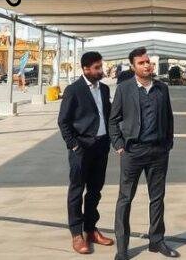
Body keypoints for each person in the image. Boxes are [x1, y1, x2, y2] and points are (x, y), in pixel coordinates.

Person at [108, 48, 178, 259]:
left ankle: (156, 241)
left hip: (158, 151)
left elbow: (169, 117)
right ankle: (122, 248)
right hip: (133, 152)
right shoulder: (124, 89)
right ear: (133, 67)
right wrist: (119, 144)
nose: (147, 65)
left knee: (157, 198)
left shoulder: (161, 89)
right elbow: (113, 120)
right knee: (125, 199)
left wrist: (168, 143)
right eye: (142, 63)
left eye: (149, 62)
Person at [57, 51, 114, 255]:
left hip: (101, 147)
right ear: (86, 69)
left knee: (95, 191)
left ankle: (90, 229)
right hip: (81, 148)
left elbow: (107, 114)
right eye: (97, 67)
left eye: (101, 66)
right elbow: (63, 121)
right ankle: (76, 234)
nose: (101, 70)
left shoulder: (105, 88)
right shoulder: (74, 90)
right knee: (76, 191)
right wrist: (73, 145)